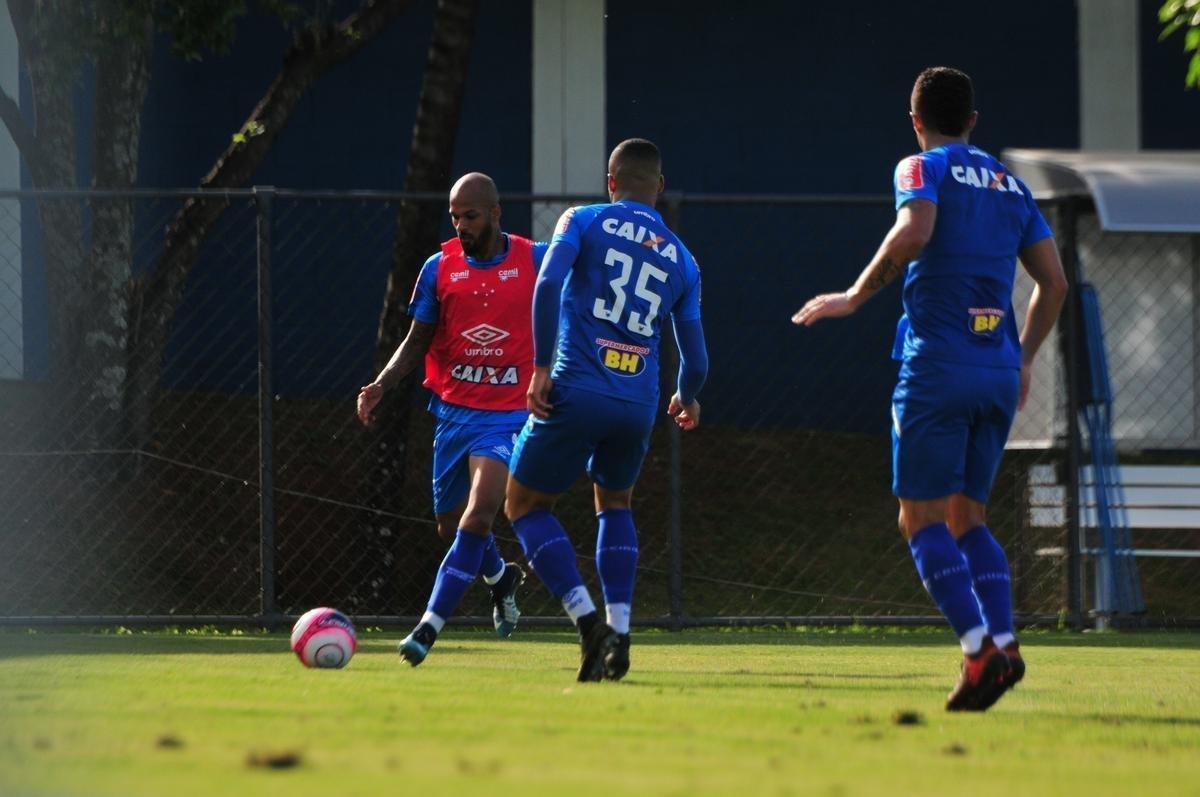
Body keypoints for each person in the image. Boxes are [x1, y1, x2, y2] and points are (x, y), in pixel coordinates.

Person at [792, 67, 1068, 711]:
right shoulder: (1012, 185)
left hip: (938, 366)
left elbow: (915, 231)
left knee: (919, 519)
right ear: (973, 121)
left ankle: (978, 650)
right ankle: (1005, 643)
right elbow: (1053, 283)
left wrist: (853, 296)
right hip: (998, 371)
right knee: (969, 518)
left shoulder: (921, 168)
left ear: (915, 122)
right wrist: (1025, 358)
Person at [504, 138, 709, 682]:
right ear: (660, 187)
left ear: (610, 181)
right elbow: (697, 360)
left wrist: (541, 367)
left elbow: (549, 282)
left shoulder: (583, 219)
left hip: (576, 388)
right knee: (615, 503)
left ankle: (587, 621)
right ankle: (620, 632)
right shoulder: (684, 260)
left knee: (524, 505)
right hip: (637, 403)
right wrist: (687, 397)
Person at [357, 172, 548, 666]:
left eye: (471, 215)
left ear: (496, 213)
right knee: (450, 525)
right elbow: (416, 340)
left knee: (480, 514)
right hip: (454, 413)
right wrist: (382, 384)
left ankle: (427, 628)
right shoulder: (439, 267)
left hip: (508, 415)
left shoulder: (534, 259)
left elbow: (586, 267)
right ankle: (501, 577)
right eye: (455, 216)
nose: (461, 225)